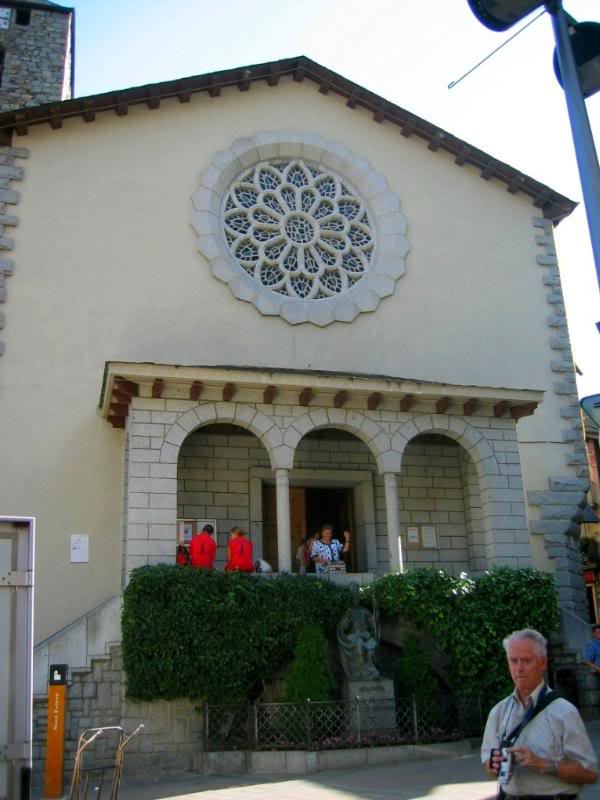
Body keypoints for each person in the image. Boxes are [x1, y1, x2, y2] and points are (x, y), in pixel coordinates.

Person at [481, 628, 598, 799]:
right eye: (513, 661)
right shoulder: (498, 712)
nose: (519, 668)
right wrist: (493, 766)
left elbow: (589, 774)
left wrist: (543, 764)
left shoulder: (564, 712)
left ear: (543, 663)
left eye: (526, 661)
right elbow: (488, 765)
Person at [337, 582, 380, 681]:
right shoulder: (348, 611)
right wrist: (348, 618)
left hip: (365, 635)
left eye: (357, 598)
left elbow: (373, 622)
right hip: (353, 637)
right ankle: (361, 672)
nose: (356, 600)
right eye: (354, 599)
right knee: (359, 644)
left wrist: (376, 609)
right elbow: (344, 627)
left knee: (372, 645)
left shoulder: (364, 610)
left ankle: (370, 670)